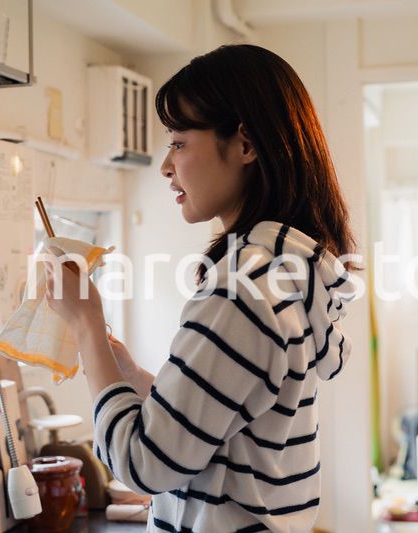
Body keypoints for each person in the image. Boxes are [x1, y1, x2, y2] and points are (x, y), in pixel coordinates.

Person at [45, 44, 357, 533]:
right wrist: (131, 375)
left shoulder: (242, 290)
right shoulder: (284, 271)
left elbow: (145, 465)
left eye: (179, 142)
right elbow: (228, 422)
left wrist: (87, 325)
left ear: (245, 145)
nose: (166, 166)